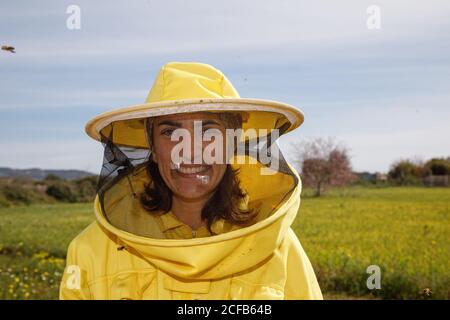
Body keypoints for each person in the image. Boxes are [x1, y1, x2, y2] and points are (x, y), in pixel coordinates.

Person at [59, 61, 323, 300]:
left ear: (232, 142)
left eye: (208, 130)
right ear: (151, 144)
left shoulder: (278, 247)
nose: (190, 150)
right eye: (170, 132)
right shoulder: (90, 251)